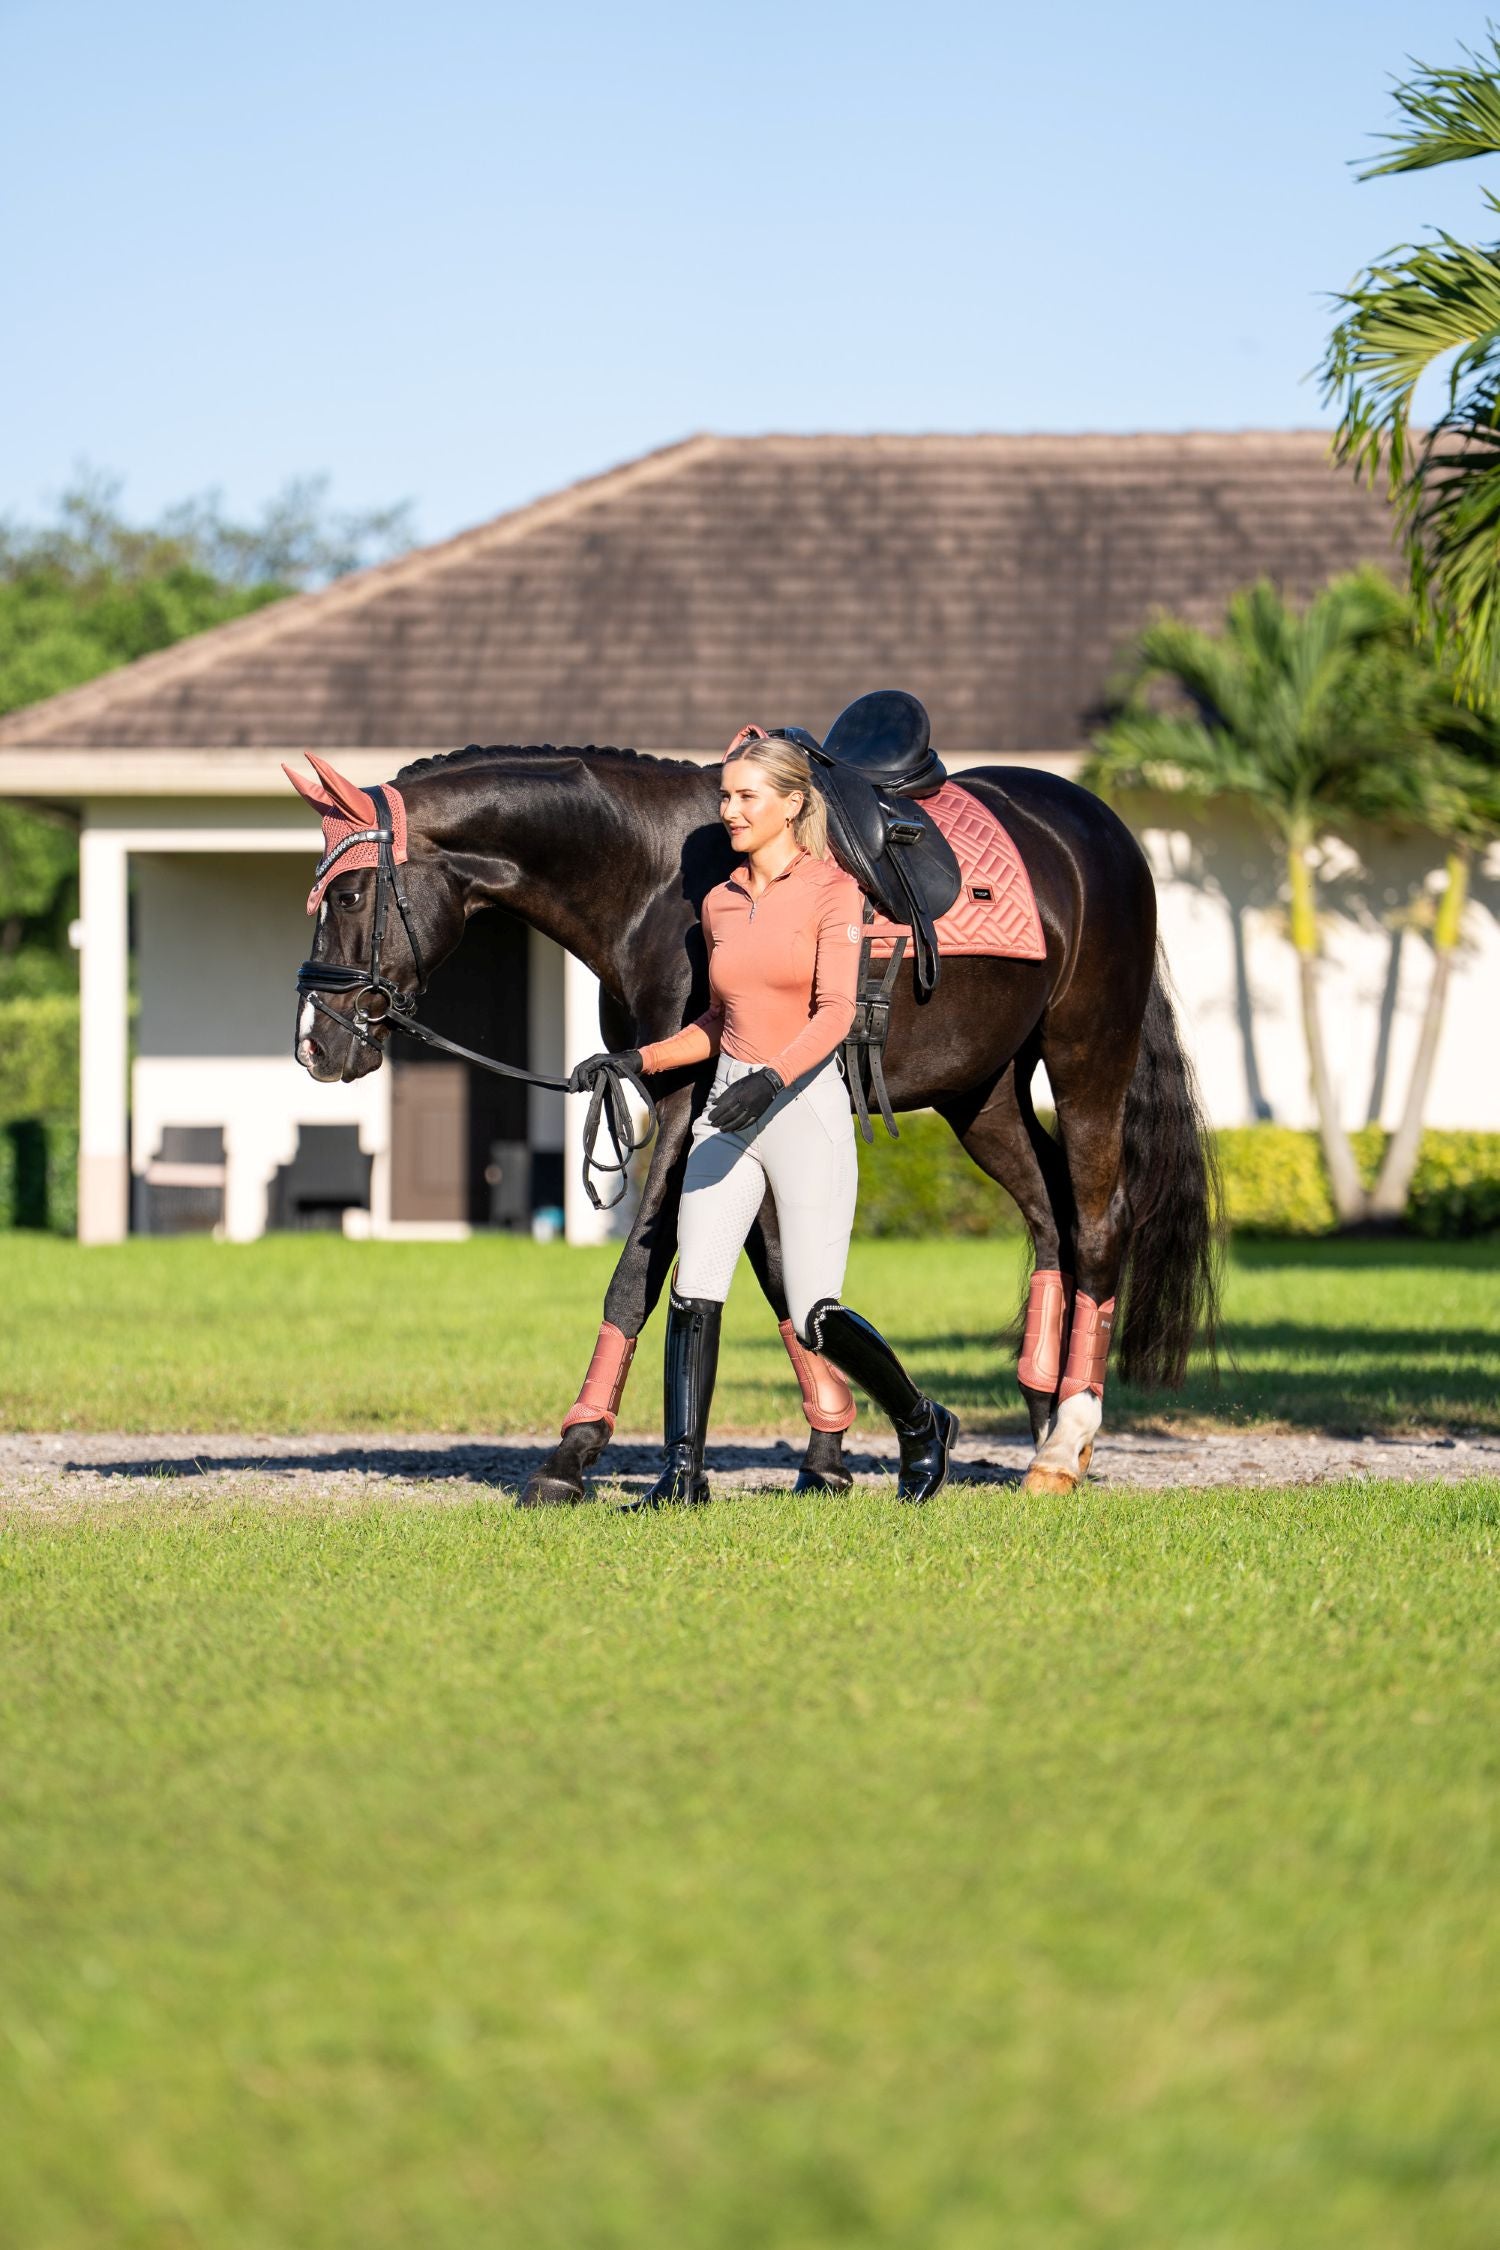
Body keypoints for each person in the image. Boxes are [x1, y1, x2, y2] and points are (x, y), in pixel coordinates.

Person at [570, 728, 958, 1507]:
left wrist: (773, 1078)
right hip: (730, 1107)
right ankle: (681, 1479)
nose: (730, 809)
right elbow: (718, 1019)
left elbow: (837, 1013)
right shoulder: (718, 902)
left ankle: (920, 1421)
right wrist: (633, 1062)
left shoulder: (832, 892)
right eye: (725, 795)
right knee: (695, 1289)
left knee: (815, 1314)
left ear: (790, 804)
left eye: (747, 796)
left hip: (803, 1107)